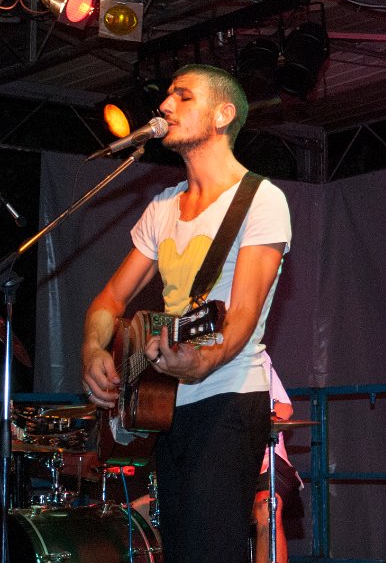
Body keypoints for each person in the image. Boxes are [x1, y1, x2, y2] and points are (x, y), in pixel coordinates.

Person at [81, 64, 291, 563]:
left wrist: (203, 360)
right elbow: (109, 301)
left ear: (223, 115)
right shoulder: (162, 207)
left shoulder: (261, 199)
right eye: (167, 97)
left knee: (210, 549)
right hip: (166, 403)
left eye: (183, 96)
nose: (165, 106)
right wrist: (92, 349)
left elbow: (241, 315)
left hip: (228, 398)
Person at [253, 352, 303, 563]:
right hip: (225, 463)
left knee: (267, 505)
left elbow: (284, 407)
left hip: (266, 458)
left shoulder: (257, 355)